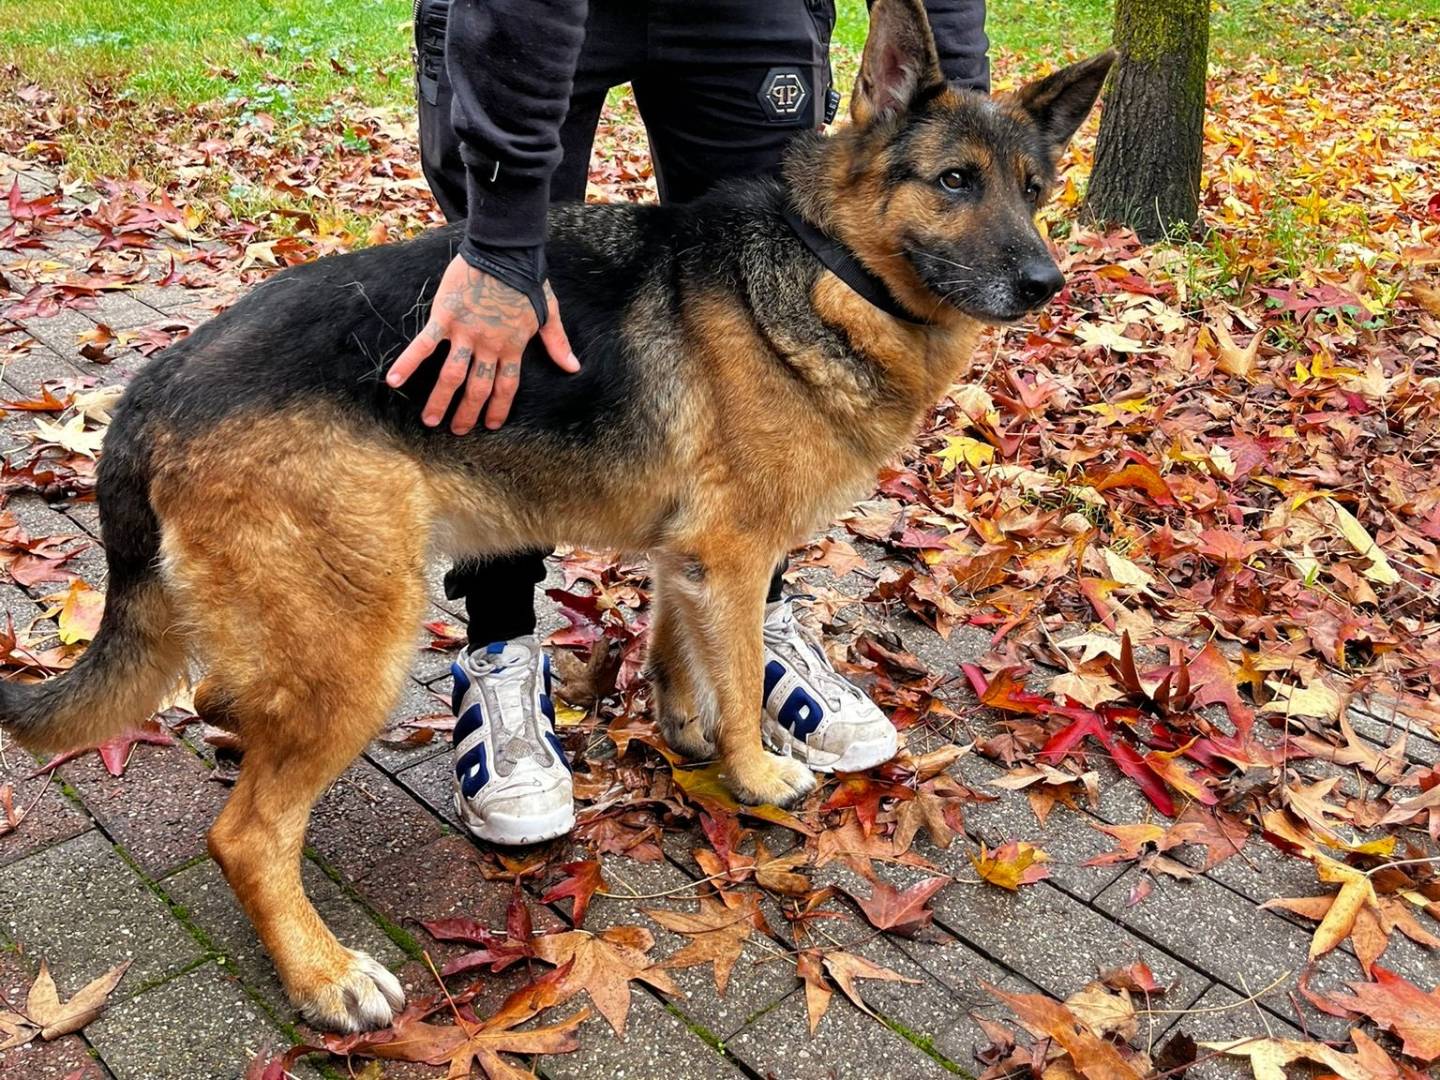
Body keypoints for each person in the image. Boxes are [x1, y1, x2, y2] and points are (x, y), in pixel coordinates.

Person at [398, 0, 989, 845]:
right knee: (499, 317)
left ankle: (733, 645)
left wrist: (956, 115)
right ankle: (501, 648)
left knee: (765, 301)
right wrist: (498, 244)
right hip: (529, 19)